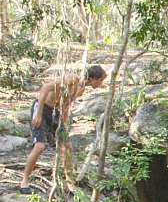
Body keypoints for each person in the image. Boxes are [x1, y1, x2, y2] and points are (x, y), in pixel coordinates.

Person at [19, 65, 107, 194]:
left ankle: (69, 181)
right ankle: (24, 181)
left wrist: (64, 124)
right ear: (94, 79)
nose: (101, 84)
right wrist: (38, 113)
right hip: (42, 108)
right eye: (101, 80)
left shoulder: (81, 89)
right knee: (39, 146)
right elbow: (45, 88)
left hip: (56, 112)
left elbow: (66, 105)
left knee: (67, 146)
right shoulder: (72, 79)